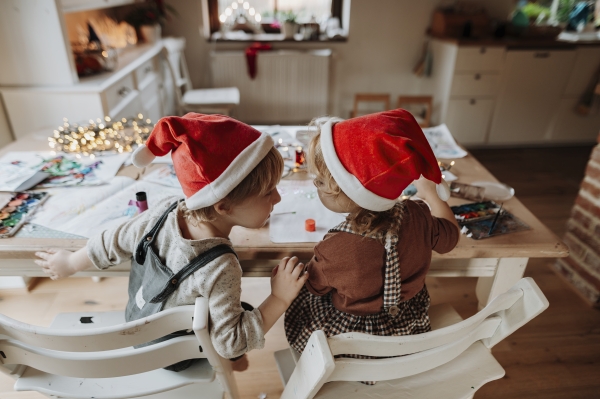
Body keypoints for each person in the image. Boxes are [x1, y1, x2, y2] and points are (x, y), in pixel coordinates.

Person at [35, 113, 308, 372]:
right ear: (223, 206)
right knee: (244, 311)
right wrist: (279, 298)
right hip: (174, 353)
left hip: (137, 317)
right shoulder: (222, 267)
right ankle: (233, 365)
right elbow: (231, 342)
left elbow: (114, 240)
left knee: (221, 306)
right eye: (268, 192)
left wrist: (70, 262)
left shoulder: (165, 211)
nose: (277, 199)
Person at [284, 109, 460, 383]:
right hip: (407, 335)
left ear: (349, 191)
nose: (315, 185)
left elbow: (315, 287)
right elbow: (450, 237)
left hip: (355, 346)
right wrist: (431, 195)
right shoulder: (419, 216)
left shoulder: (336, 248)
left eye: (320, 182)